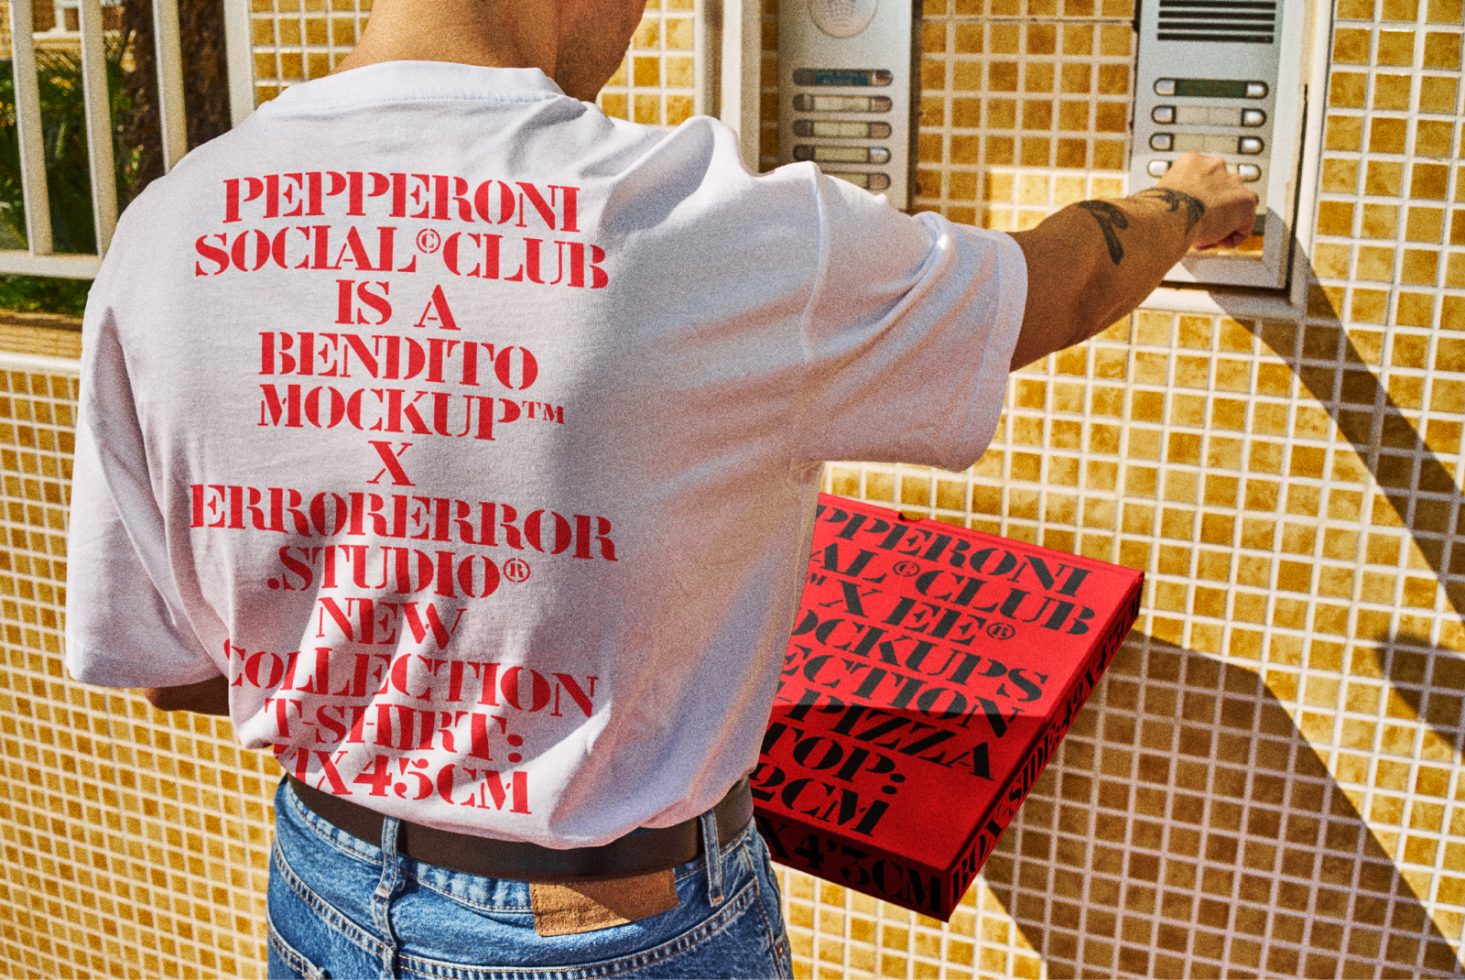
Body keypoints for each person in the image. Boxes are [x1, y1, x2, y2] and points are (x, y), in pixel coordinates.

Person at [62, 0, 1257, 976]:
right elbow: (1050, 292)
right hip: (612, 925)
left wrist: (404, 680)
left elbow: (174, 673)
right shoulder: (715, 228)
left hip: (320, 887)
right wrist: (1187, 202)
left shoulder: (164, 234)